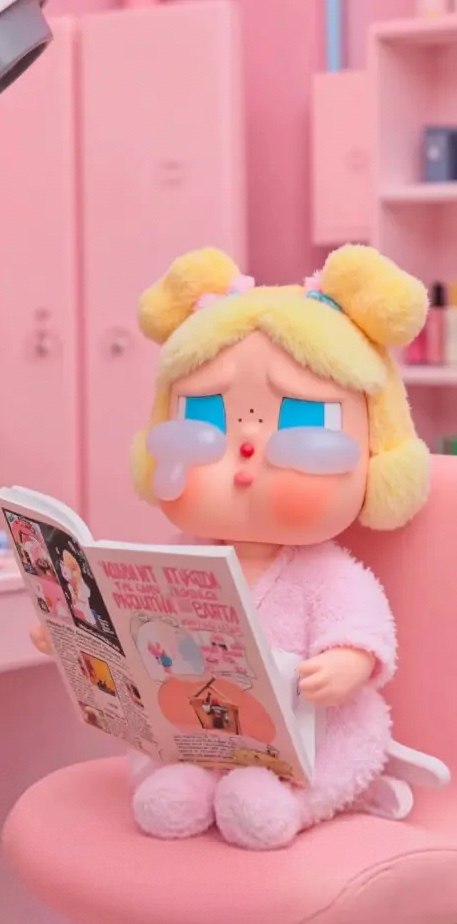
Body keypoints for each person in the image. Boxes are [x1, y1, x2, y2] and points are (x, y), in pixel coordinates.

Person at [126, 244, 429, 847]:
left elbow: (359, 628)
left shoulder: (324, 573)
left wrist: (348, 661)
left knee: (350, 735)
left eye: (299, 420)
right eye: (207, 414)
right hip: (211, 720)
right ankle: (192, 781)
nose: (247, 447)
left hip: (310, 728)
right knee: (170, 731)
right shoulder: (185, 551)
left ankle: (295, 801)